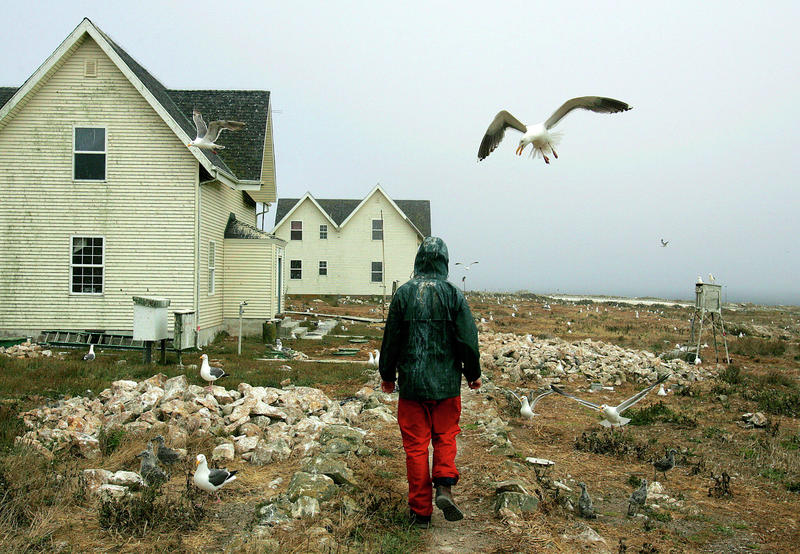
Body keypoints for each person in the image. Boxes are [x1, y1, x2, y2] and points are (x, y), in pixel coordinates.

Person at [378, 236, 481, 528]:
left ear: (418, 260)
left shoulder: (404, 294)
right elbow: (467, 340)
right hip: (447, 385)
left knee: (415, 446)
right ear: (445, 261)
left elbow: (391, 340)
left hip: (411, 386)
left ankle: (420, 513)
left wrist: (387, 375)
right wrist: (473, 374)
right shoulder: (453, 294)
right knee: (445, 436)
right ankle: (445, 486)